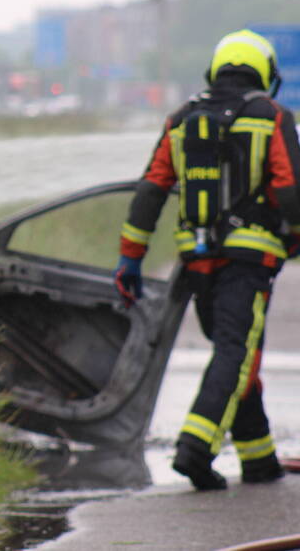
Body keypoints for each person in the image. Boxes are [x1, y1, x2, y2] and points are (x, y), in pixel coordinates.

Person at [115, 29, 300, 490]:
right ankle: (195, 449)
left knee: (238, 353)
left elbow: (151, 190)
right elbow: (290, 191)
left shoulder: (181, 120)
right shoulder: (273, 116)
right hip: (250, 259)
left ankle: (259, 461)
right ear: (266, 74)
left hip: (197, 260)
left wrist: (130, 259)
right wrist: (295, 237)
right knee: (235, 354)